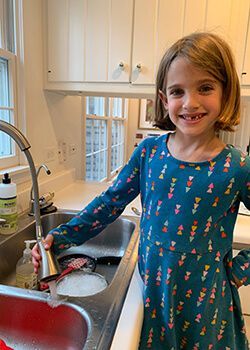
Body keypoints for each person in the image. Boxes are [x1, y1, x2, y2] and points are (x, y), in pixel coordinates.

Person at [32, 32, 250, 349]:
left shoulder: (237, 166)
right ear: (163, 99)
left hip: (208, 305)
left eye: (205, 87)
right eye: (178, 91)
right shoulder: (149, 153)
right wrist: (60, 237)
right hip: (153, 295)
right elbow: (108, 204)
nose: (190, 102)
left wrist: (239, 270)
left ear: (226, 91)